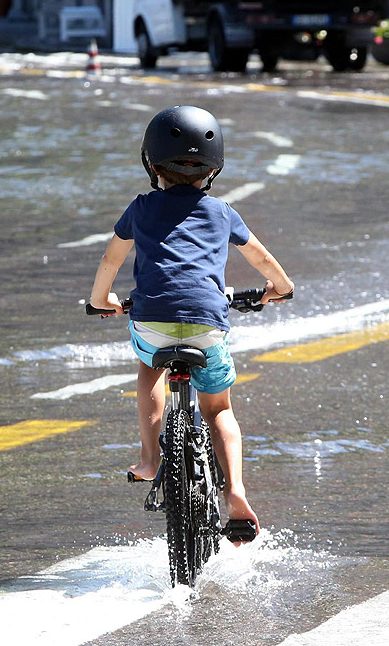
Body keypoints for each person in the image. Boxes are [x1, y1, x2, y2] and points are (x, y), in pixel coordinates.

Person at [89, 105, 294, 544]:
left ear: (151, 163)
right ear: (213, 167)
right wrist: (280, 285)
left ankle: (148, 458)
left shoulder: (141, 208)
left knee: (149, 370)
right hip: (206, 325)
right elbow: (259, 257)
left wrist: (100, 300)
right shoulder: (222, 212)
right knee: (218, 408)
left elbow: (111, 259)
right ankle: (235, 489)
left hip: (152, 323)